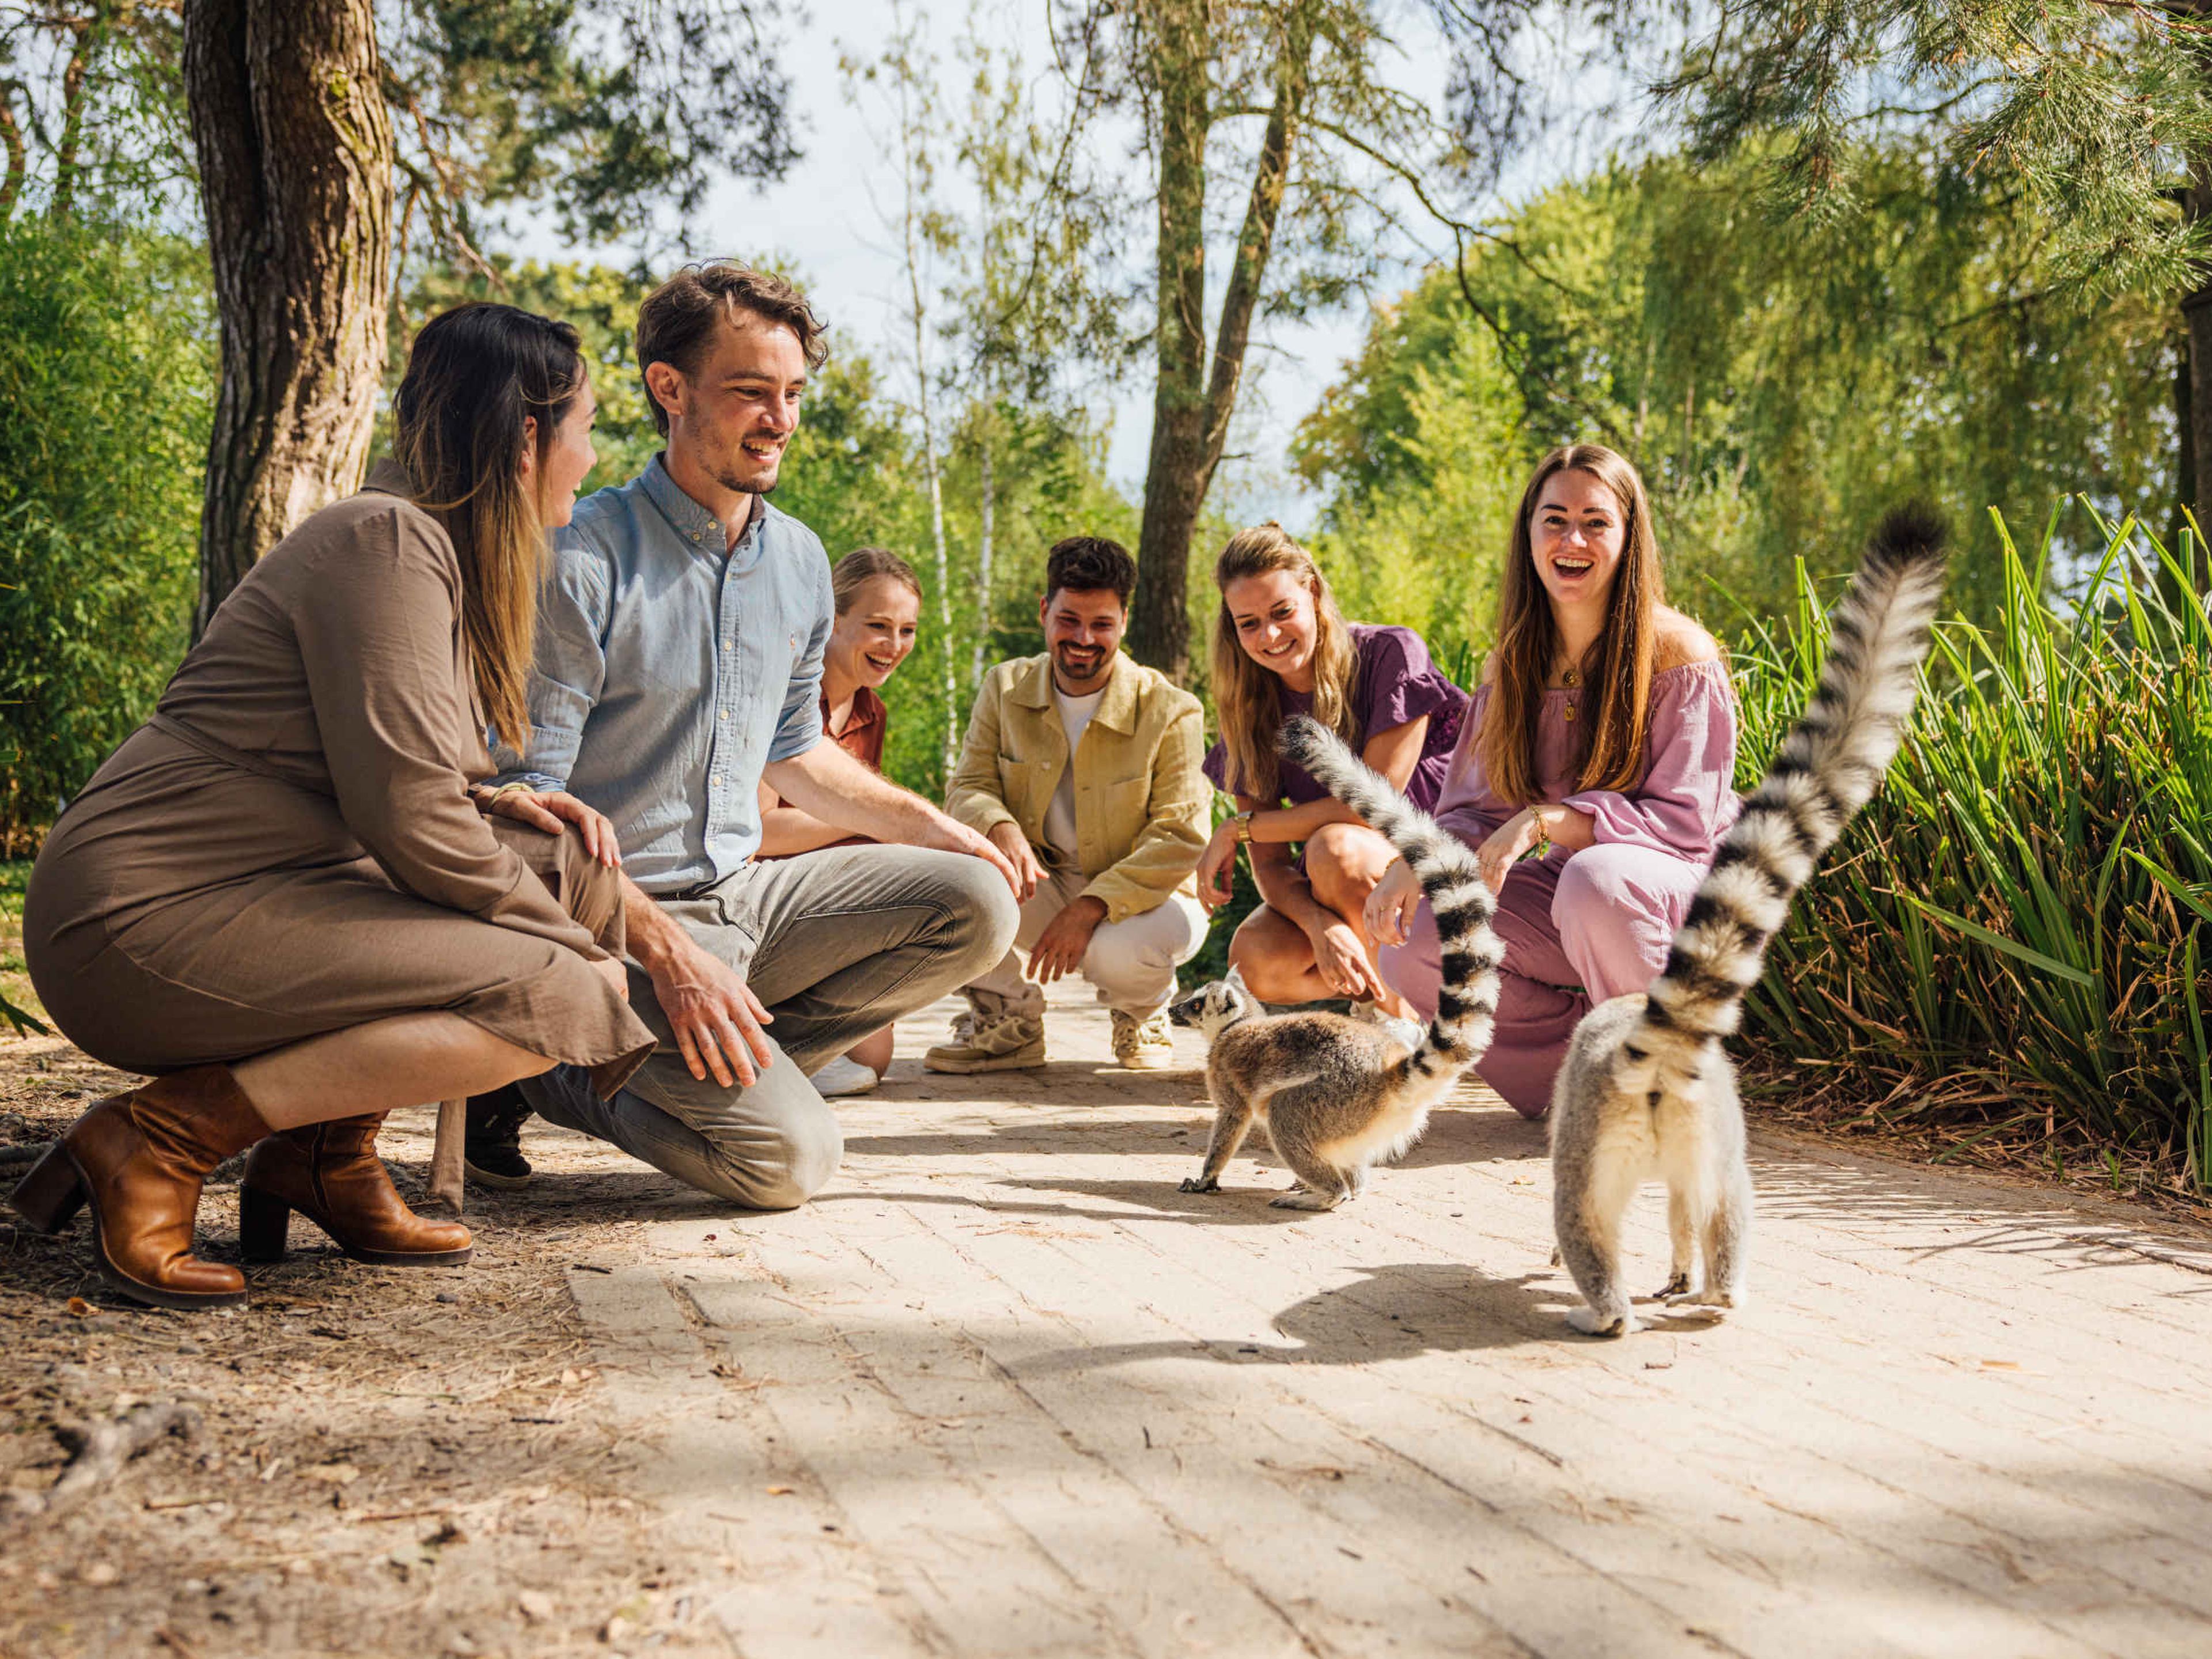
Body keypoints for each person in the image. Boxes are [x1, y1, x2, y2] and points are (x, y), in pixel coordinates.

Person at [10, 303, 656, 1311]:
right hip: (138, 915)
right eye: (583, 426)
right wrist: (573, 950)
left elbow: (404, 771)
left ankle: (319, 1157)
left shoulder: (427, 555)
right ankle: (156, 1138)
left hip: (261, 890)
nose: (589, 454)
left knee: (576, 876)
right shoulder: (383, 542)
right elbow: (406, 815)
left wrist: (516, 806)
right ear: (527, 435)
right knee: (566, 994)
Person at [474, 260, 1019, 1211]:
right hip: (615, 933)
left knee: (977, 900)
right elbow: (519, 811)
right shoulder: (581, 558)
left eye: (794, 394)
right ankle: (554, 1074)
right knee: (790, 1163)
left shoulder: (804, 561)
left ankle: (692, 1067)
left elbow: (797, 753)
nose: (781, 420)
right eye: (751, 394)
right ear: (670, 389)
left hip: (749, 901)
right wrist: (669, 955)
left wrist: (935, 827)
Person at [1366, 443, 1739, 1118]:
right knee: (1423, 943)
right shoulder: (1511, 663)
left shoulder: (1681, 653)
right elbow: (1476, 810)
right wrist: (1411, 862)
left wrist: (1545, 821)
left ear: (1629, 537)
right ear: (1529, 534)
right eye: (1554, 519)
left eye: (1596, 522)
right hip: (1580, 902)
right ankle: (1584, 1083)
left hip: (1673, 901)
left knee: (1594, 880)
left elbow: (1685, 824)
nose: (1573, 539)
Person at [926, 536, 1209, 1073]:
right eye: (1069, 619)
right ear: (1044, 612)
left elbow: (1182, 837)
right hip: (1041, 884)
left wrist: (1091, 907)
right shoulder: (1004, 686)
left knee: (1117, 952)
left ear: (1124, 621)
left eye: (1101, 624)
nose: (1083, 639)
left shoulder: (1172, 709)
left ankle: (1142, 1009)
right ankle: (1009, 1020)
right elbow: (967, 787)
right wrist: (1000, 825)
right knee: (941, 883)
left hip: (1145, 900)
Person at [1195, 523, 1469, 1022]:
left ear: (1313, 593)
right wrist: (1322, 927)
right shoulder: (1249, 707)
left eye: (1282, 612)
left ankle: (1398, 1027)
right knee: (1254, 957)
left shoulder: (1389, 653)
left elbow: (1370, 810)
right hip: (1353, 891)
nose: (1270, 636)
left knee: (1335, 847)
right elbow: (1272, 868)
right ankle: (1387, 998)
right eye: (1249, 623)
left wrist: (1238, 830)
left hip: (1438, 870)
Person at [754, 547, 923, 1099]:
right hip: (761, 891)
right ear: (831, 619)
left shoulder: (873, 711)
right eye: (877, 626)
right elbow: (761, 832)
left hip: (831, 891)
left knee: (873, 1059)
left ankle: (779, 1041)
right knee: (858, 1060)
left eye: (907, 630)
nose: (893, 646)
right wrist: (876, 820)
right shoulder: (783, 694)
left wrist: (875, 825)